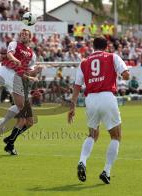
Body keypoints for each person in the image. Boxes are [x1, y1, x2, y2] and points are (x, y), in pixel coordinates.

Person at [68, 37, 130, 184]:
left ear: (93, 46)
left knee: (92, 134)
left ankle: (82, 161)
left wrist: (72, 106)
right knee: (116, 136)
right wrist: (125, 73)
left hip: (90, 100)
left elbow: (77, 86)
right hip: (107, 96)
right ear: (107, 46)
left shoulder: (84, 62)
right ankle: (106, 171)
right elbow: (126, 75)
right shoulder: (112, 56)